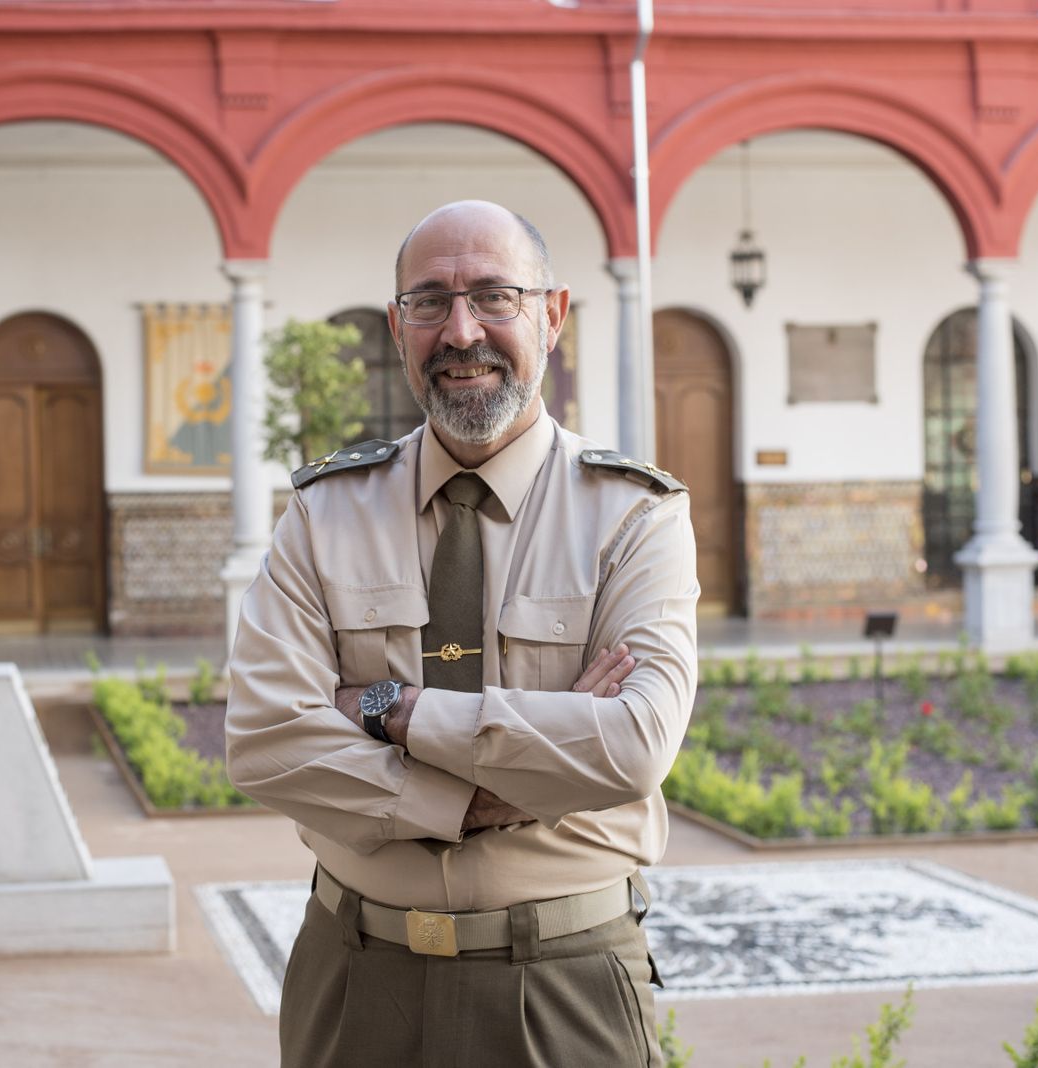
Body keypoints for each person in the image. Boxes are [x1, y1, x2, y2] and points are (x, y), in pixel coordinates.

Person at [225, 200, 699, 1066]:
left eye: (493, 296)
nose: (461, 331)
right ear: (398, 325)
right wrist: (504, 787)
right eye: (430, 302)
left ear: (552, 315)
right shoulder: (326, 516)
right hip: (355, 974)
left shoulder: (634, 517)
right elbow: (264, 740)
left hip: (564, 980)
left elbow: (634, 745)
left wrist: (392, 710)